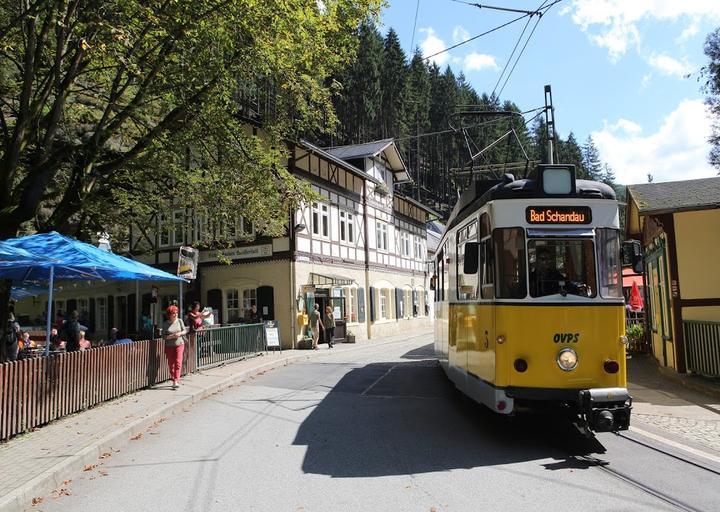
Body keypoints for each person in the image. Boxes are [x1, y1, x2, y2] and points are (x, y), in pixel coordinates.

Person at [161, 305, 187, 389]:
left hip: (180, 344)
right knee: (171, 363)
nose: (176, 315)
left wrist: (180, 334)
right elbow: (163, 336)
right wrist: (172, 336)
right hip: (169, 346)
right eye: (173, 313)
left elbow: (185, 330)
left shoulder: (180, 321)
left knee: (178, 362)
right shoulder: (165, 324)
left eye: (176, 313)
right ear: (169, 315)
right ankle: (173, 378)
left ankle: (176, 380)